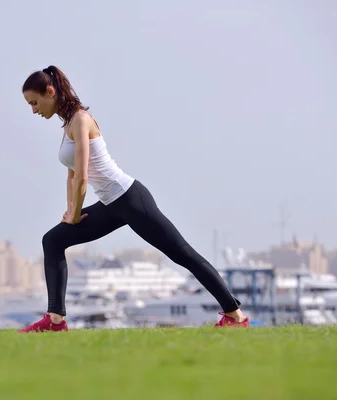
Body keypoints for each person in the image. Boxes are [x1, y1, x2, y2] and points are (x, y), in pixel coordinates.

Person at [18, 65, 249, 333]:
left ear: (50, 92)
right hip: (110, 205)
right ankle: (55, 321)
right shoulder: (68, 124)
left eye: (35, 102)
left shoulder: (81, 120)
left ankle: (235, 315)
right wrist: (71, 212)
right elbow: (71, 177)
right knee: (54, 239)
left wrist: (76, 212)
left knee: (182, 254)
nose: (34, 110)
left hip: (130, 199)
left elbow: (82, 177)